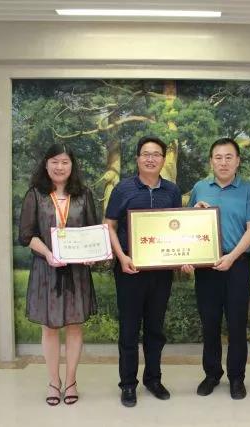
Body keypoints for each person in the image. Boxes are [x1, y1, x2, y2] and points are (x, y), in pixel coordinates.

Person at [104, 136, 182, 408]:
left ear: (163, 159)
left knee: (155, 329)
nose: (151, 158)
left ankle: (153, 379)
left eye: (156, 154)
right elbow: (109, 225)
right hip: (130, 269)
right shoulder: (123, 189)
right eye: (146, 154)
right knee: (129, 329)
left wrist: (185, 255)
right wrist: (122, 256)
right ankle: (128, 384)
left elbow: (179, 226)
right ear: (137, 158)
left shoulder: (171, 191)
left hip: (161, 271)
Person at [182, 137, 250, 400]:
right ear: (211, 161)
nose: (224, 162)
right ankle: (212, 374)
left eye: (229, 157)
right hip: (206, 266)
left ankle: (237, 378)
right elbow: (187, 224)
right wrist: (189, 254)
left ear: (238, 161)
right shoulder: (200, 187)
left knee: (237, 324)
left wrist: (231, 257)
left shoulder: (249, 190)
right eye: (218, 157)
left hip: (237, 265)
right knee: (210, 323)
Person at [19, 143, 98, 406]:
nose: (59, 167)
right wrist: (48, 254)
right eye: (54, 161)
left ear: (72, 166)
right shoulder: (35, 194)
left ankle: (71, 381)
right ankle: (54, 382)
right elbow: (26, 235)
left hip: (76, 272)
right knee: (50, 328)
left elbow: (92, 231)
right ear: (46, 164)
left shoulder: (83, 195)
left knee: (75, 327)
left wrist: (91, 253)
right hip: (46, 270)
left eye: (65, 162)